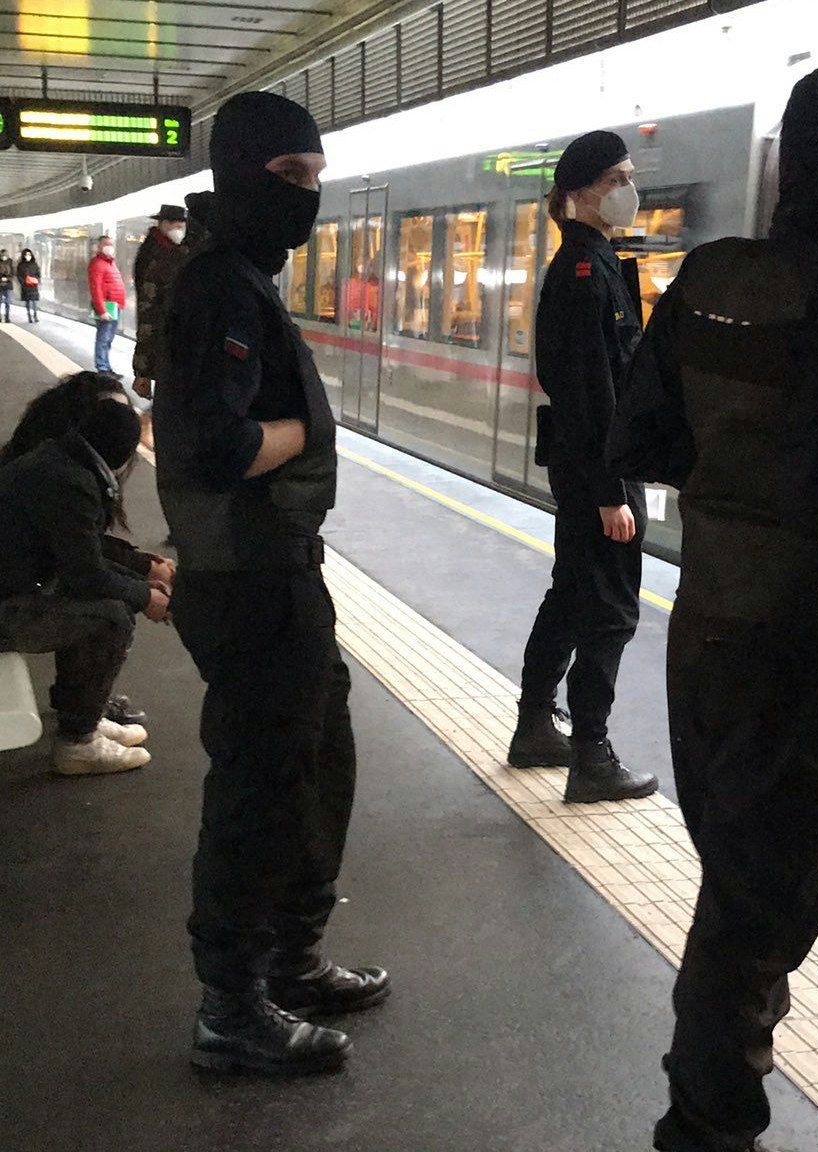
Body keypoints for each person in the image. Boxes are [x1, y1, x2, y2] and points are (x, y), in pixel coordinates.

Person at [606, 68, 818, 1152]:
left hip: (705, 626)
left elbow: (644, 444)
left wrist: (740, 459)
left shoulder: (705, 276)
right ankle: (706, 1123)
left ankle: (706, 1103)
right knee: (762, 904)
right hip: (802, 646)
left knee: (733, 878)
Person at [153, 91, 388, 1077]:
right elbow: (214, 444)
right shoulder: (221, 289)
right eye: (292, 178)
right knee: (257, 785)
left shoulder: (242, 274)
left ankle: (289, 958)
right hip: (246, 578)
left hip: (276, 569)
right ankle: (231, 1006)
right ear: (245, 174)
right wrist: (312, 435)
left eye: (314, 180)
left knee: (315, 759)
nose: (308, 197)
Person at [505, 129, 658, 804]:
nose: (628, 188)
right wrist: (609, 493)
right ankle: (592, 756)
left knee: (573, 594)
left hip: (592, 465)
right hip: (602, 469)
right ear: (581, 191)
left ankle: (536, 725)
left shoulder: (592, 264)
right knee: (609, 610)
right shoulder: (585, 274)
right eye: (618, 176)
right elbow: (591, 393)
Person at [0, 398, 170, 775]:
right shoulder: (72, 482)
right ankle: (78, 741)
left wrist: (143, 577)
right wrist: (145, 597)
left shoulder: (56, 459)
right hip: (7, 606)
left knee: (105, 603)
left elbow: (80, 557)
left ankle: (82, 715)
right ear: (122, 454)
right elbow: (85, 575)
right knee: (111, 617)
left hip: (15, 587)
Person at [132, 205, 191, 404]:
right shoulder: (154, 257)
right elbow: (148, 313)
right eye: (176, 225)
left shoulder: (171, 252)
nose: (179, 229)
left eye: (182, 225)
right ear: (163, 224)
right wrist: (143, 370)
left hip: (173, 346)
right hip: (166, 347)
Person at [88, 235, 125, 375]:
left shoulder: (110, 263)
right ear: (99, 246)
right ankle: (102, 368)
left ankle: (106, 366)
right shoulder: (97, 263)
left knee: (108, 339)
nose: (109, 247)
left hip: (115, 306)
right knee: (103, 339)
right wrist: (101, 310)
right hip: (106, 307)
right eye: (105, 244)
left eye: (111, 244)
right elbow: (95, 288)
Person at [16, 248, 40, 323]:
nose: (28, 256)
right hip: (25, 286)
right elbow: (18, 275)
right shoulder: (20, 265)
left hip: (33, 285)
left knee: (34, 301)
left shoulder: (34, 264)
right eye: (26, 255)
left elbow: (38, 274)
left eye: (29, 255)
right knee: (28, 301)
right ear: (24, 256)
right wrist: (23, 282)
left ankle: (35, 315)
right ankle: (29, 315)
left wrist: (36, 280)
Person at [0, 247, 14, 323]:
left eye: (5, 255)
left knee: (7, 302)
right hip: (0, 285)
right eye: (2, 255)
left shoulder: (11, 262)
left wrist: (7, 278)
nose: (3, 257)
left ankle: (7, 317)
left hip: (8, 285)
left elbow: (13, 273)